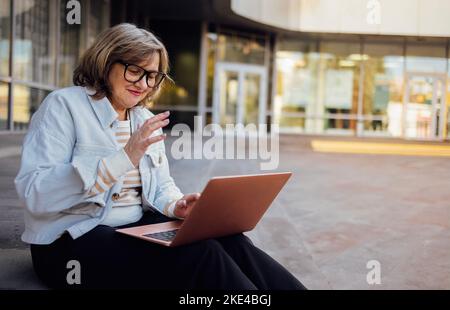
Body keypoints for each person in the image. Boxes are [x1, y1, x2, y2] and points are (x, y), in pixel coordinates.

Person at [14, 23, 306, 290]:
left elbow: (161, 185)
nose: (143, 83)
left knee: (229, 240)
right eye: (134, 69)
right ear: (105, 61)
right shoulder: (64, 106)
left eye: (152, 76)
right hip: (69, 243)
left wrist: (175, 205)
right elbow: (35, 194)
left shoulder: (143, 118)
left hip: (130, 230)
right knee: (200, 255)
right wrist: (123, 158)